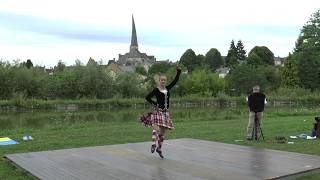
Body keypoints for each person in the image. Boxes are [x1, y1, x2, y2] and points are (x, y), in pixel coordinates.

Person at [140, 66, 181, 158]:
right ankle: (153, 144)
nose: (163, 81)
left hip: (166, 113)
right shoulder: (156, 90)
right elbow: (147, 97)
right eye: (162, 80)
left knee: (162, 133)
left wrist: (178, 72)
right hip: (158, 112)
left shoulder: (167, 88)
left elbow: (175, 81)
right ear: (159, 81)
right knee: (156, 129)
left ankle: (159, 149)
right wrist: (155, 104)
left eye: (164, 80)